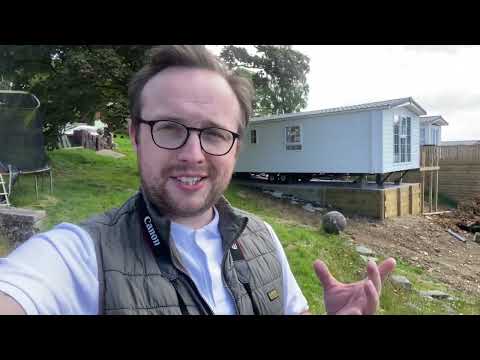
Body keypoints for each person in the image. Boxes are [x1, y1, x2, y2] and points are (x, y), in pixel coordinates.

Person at [0, 45, 396, 315]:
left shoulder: (264, 238)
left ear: (235, 146)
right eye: (170, 128)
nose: (193, 154)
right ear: (136, 135)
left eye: (214, 134)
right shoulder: (79, 256)